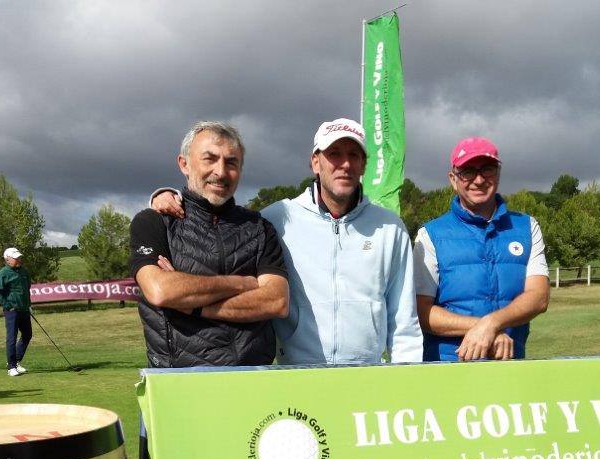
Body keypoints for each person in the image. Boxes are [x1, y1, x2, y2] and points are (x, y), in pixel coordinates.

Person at [149, 118, 422, 365]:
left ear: (364, 164)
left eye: (354, 155)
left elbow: (403, 318)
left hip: (368, 373)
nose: (345, 164)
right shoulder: (278, 217)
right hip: (296, 373)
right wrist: (168, 196)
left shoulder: (390, 228)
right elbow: (218, 210)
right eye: (334, 154)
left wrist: (407, 377)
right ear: (316, 162)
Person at [130, 121, 289, 368]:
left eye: (231, 162)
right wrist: (242, 284)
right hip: (179, 381)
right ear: (184, 164)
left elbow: (276, 301)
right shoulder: (153, 222)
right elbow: (161, 290)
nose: (221, 171)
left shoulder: (259, 228)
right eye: (209, 159)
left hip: (253, 379)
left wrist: (192, 306)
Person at [414, 137, 550, 362]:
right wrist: (484, 328)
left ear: (498, 173)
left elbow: (539, 297)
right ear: (453, 179)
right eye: (468, 172)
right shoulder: (430, 234)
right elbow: (421, 311)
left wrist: (491, 323)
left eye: (487, 169)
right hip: (448, 368)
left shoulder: (527, 227)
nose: (478, 180)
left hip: (509, 364)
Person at [0, 247, 33, 376]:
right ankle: (11, 367)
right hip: (12, 311)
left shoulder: (24, 271)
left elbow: (27, 288)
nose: (19, 260)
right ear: (7, 259)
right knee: (11, 338)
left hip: (24, 309)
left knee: (27, 334)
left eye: (19, 257)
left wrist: (27, 304)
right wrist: (7, 305)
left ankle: (16, 361)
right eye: (16, 258)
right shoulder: (3, 273)